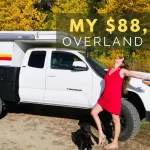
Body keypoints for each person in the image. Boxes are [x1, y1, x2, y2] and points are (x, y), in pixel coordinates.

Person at [91, 56, 150, 149]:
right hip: (105, 98)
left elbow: (134, 75)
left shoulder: (122, 71)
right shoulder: (110, 69)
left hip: (114, 99)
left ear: (122, 63)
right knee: (93, 112)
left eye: (120, 58)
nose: (118, 58)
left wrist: (147, 77)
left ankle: (115, 143)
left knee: (116, 120)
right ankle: (101, 134)